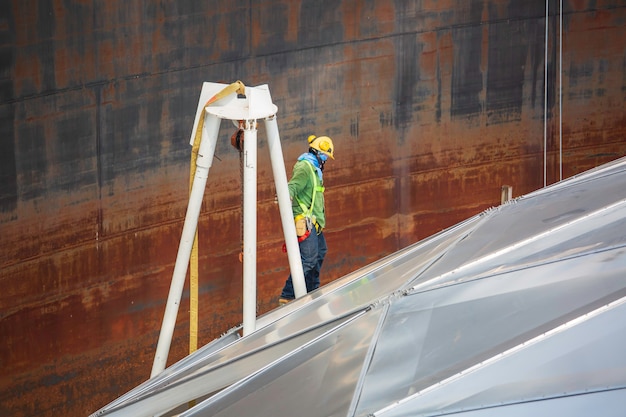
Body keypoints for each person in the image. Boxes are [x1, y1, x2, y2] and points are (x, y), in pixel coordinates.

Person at [279, 134, 335, 305]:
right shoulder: (305, 167)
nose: (326, 159)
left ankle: (312, 291)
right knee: (308, 259)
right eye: (325, 156)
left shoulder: (314, 169)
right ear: (317, 152)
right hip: (305, 221)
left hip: (315, 222)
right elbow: (292, 187)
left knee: (320, 253)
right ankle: (288, 295)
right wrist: (285, 199)